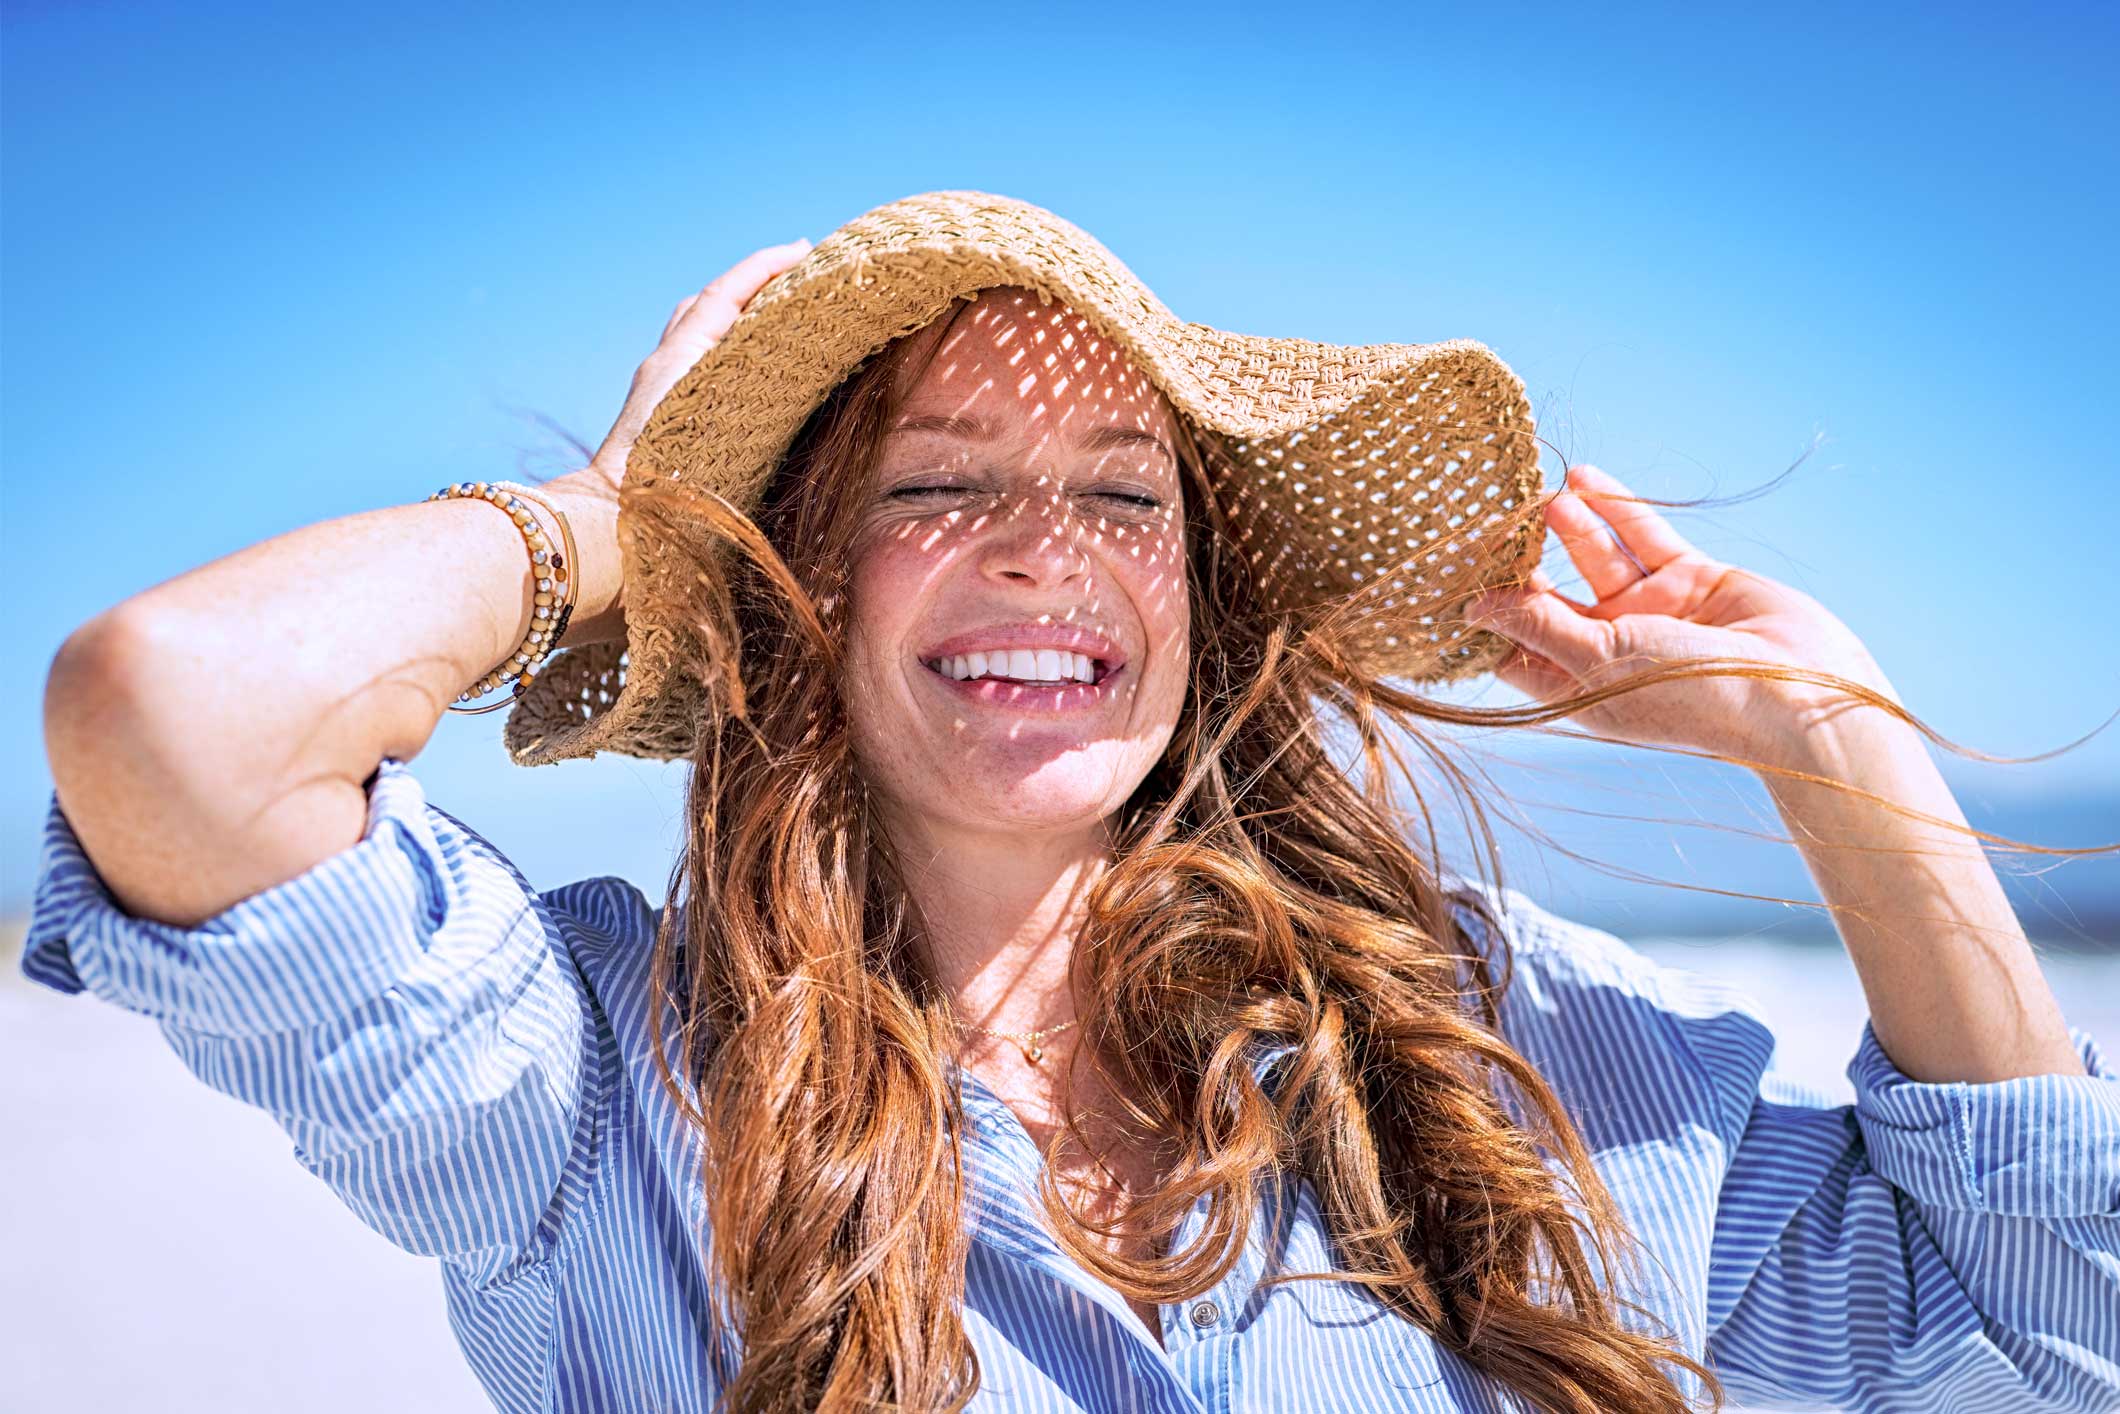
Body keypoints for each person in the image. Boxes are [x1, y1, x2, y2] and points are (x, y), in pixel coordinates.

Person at [24, 233, 2120, 1414]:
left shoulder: (1491, 1050)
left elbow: (2049, 1327)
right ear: (806, 581)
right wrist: (614, 519)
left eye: (1126, 495)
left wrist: (1833, 750)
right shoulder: (593, 1082)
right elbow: (176, 716)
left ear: (1193, 608)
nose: (1044, 552)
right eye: (935, 488)